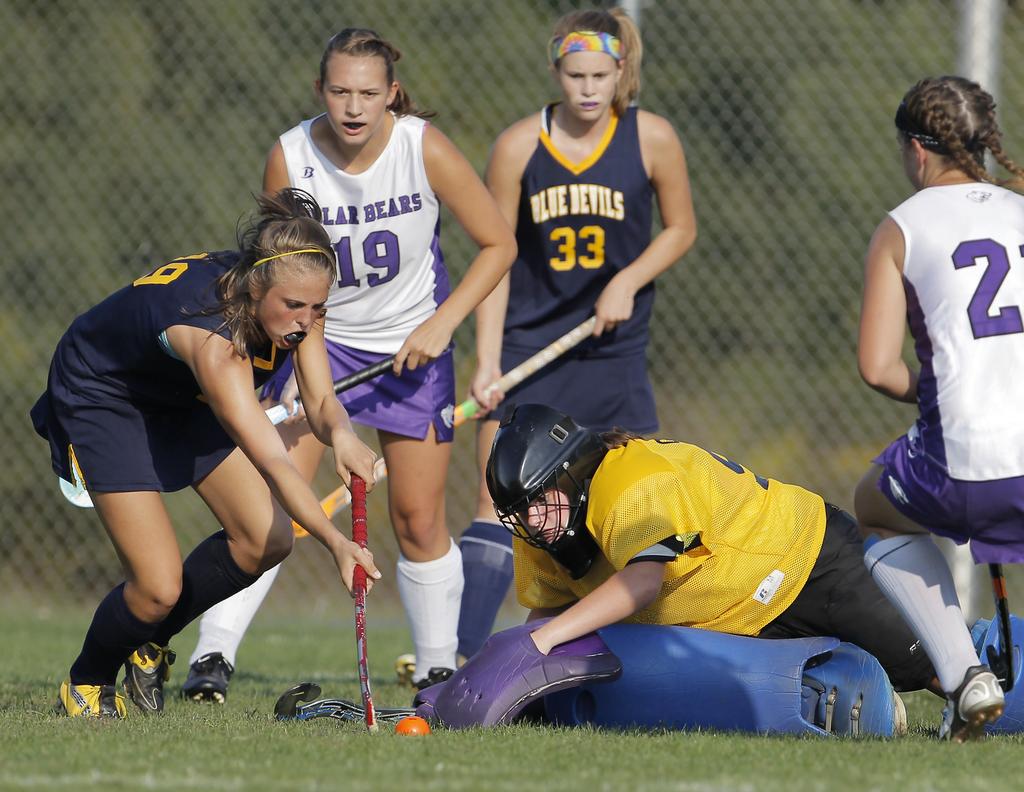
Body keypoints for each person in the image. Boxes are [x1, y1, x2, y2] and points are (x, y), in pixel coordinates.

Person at [180, 27, 517, 699]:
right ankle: (211, 657)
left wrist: (440, 325)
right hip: (316, 343)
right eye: (339, 91)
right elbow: (273, 270)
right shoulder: (291, 155)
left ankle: (437, 667)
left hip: (412, 348)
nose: (354, 107)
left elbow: (497, 244)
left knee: (418, 519)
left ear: (391, 92)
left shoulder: (424, 147)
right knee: (279, 505)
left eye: (368, 92)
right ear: (320, 91)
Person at [30, 188, 381, 717]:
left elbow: (322, 400)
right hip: (105, 394)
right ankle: (86, 683)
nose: (306, 322)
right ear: (257, 285)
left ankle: (147, 642)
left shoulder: (296, 300)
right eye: (294, 307)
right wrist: (335, 542)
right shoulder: (217, 342)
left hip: (177, 394)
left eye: (317, 308)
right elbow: (275, 463)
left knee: (266, 540)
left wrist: (345, 435)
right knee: (156, 586)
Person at [451, 5, 697, 671]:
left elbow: (680, 228)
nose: (588, 88)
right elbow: (497, 255)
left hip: (612, 351)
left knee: (630, 501)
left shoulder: (652, 139)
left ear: (623, 71)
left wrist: (629, 279)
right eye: (575, 73)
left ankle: (622, 650)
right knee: (495, 501)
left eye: (601, 74)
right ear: (556, 70)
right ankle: (460, 660)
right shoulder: (518, 147)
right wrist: (489, 357)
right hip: (531, 349)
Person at [485, 403, 940, 704]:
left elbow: (644, 581)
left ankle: (1003, 675)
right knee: (817, 703)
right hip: (736, 618)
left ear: (571, 474)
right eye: (522, 511)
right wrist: (505, 672)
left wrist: (539, 643)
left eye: (542, 499)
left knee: (933, 669)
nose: (535, 520)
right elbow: (547, 620)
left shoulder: (629, 483)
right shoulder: (541, 533)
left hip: (803, 558)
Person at [854, 75, 1024, 742]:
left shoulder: (901, 227)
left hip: (965, 464)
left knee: (873, 508)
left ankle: (963, 676)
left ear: (918, 153)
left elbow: (877, 367)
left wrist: (936, 389)